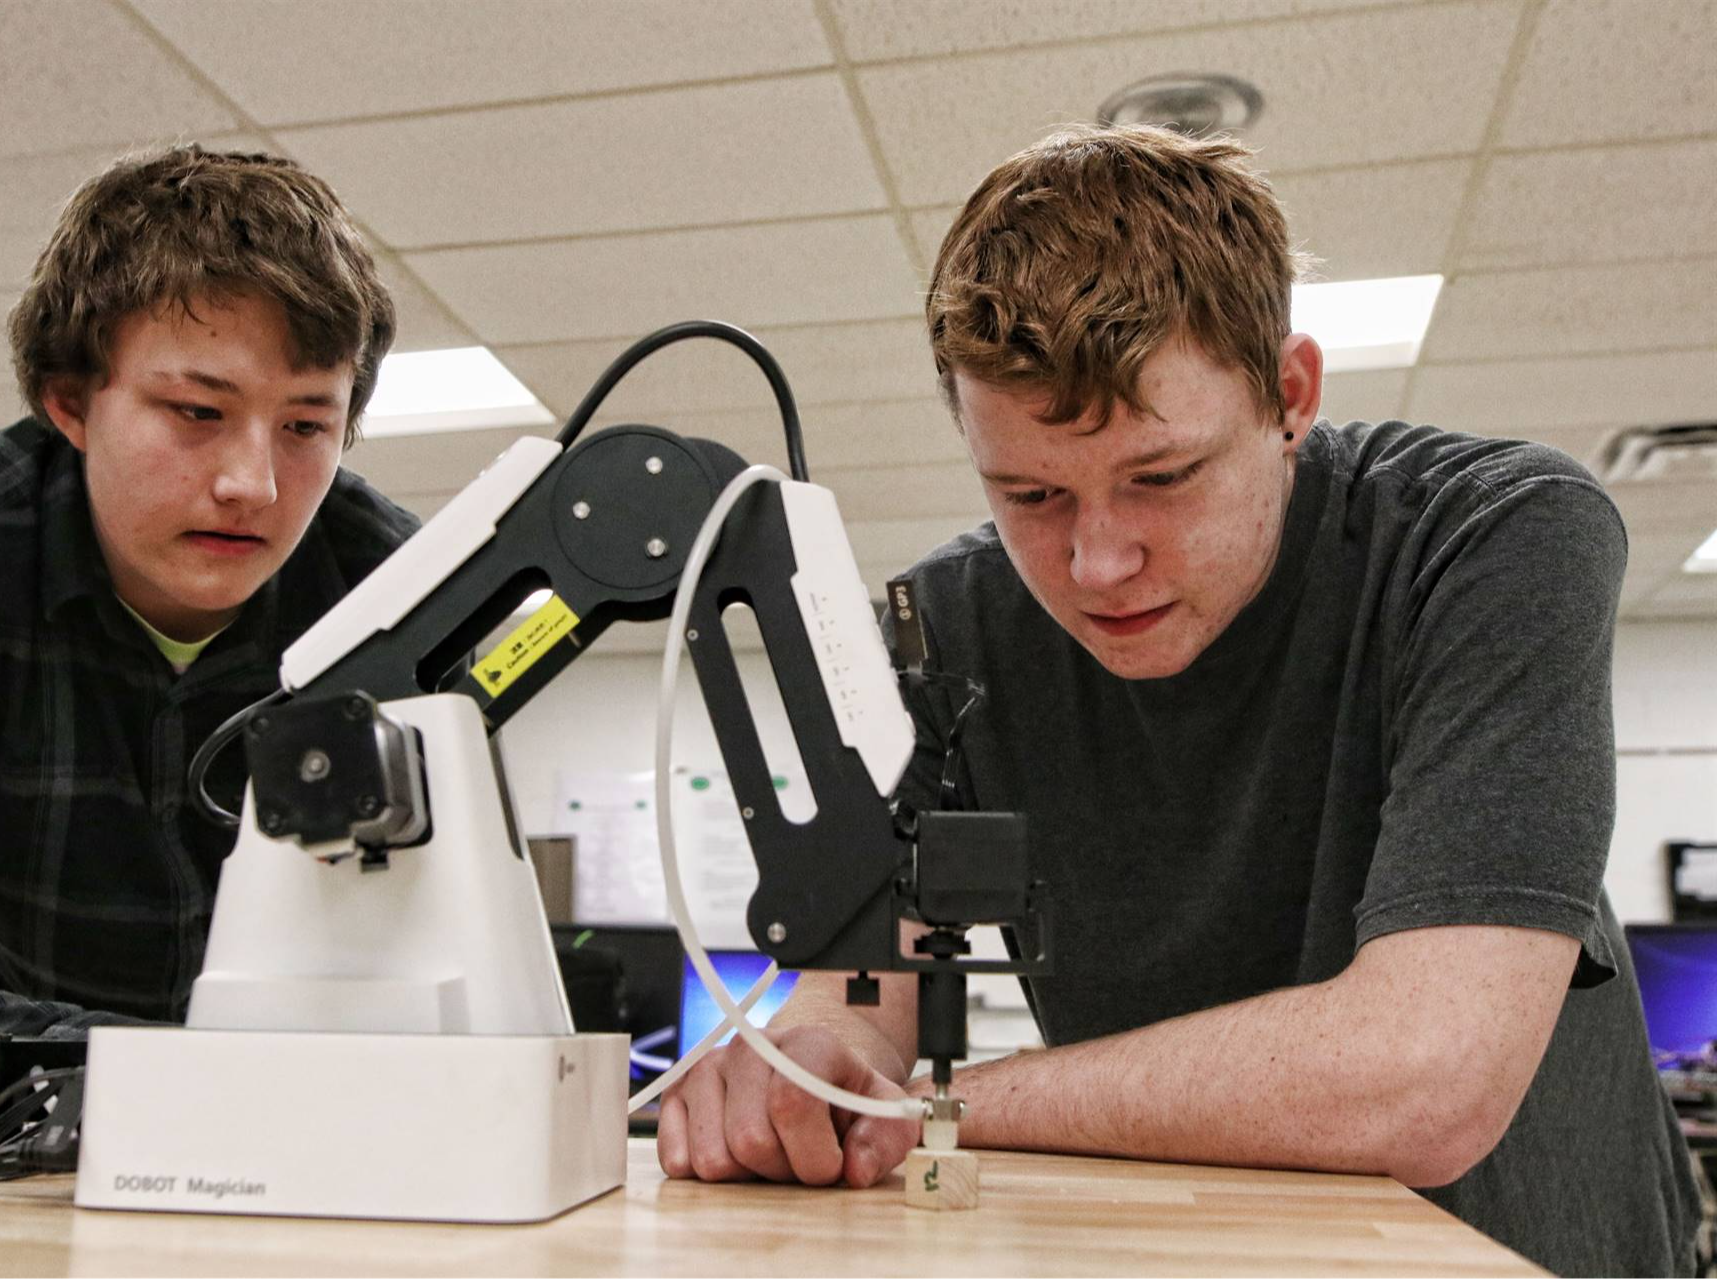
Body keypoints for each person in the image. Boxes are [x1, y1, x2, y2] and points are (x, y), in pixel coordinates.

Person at [657, 125, 1698, 1277]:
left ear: (1290, 394)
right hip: (1182, 1246)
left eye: (1161, 477)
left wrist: (934, 1107)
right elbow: (865, 997)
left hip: (1517, 1248)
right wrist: (808, 1067)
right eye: (1031, 493)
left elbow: (1425, 1075)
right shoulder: (943, 630)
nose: (1097, 562)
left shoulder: (1490, 538)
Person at [0, 145, 421, 1111]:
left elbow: (438, 955)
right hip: (20, 1132)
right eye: (198, 410)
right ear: (70, 402)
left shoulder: (397, 591)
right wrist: (179, 1085)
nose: (252, 484)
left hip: (315, 1126)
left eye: (306, 426)